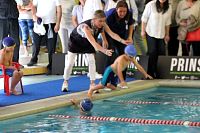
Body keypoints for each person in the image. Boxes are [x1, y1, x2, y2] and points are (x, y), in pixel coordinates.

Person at [62, 10, 131, 92]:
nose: (102, 23)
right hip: (75, 43)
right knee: (70, 63)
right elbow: (94, 44)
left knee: (91, 61)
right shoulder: (85, 27)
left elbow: (111, 34)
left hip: (87, 43)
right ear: (94, 19)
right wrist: (105, 51)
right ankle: (65, 81)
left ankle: (92, 83)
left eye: (103, 21)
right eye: (100, 21)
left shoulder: (102, 24)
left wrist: (122, 41)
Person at [88, 45, 153, 99]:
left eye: (132, 57)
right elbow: (119, 71)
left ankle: (105, 83)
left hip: (114, 74)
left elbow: (139, 67)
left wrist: (145, 74)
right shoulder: (121, 59)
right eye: (130, 57)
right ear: (126, 54)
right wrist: (122, 81)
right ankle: (91, 90)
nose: (131, 58)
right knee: (102, 86)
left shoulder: (131, 58)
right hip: (110, 71)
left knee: (114, 87)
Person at [27, 0, 62, 75]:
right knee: (36, 42)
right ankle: (34, 59)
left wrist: (58, 23)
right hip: (39, 23)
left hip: (51, 24)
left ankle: (51, 67)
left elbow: (59, 10)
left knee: (51, 46)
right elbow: (33, 6)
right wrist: (34, 15)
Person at [141, 0, 172, 78]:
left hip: (162, 34)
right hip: (151, 33)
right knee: (152, 52)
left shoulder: (169, 7)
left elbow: (168, 22)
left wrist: (167, 34)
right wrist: (142, 31)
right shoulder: (150, 5)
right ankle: (149, 73)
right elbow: (144, 19)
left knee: (162, 52)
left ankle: (159, 73)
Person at [105, 0, 134, 81]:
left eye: (124, 11)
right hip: (110, 35)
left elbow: (131, 24)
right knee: (111, 56)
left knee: (124, 57)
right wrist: (104, 40)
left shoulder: (129, 13)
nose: (122, 13)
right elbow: (104, 30)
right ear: (116, 9)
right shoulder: (109, 15)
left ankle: (122, 81)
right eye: (120, 11)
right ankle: (106, 81)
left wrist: (130, 36)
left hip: (122, 35)